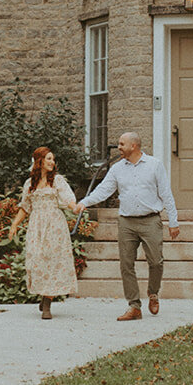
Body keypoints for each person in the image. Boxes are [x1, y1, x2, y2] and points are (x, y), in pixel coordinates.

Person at [75, 131, 179, 320]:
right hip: (126, 222)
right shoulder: (117, 169)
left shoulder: (154, 165)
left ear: (134, 146)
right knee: (126, 264)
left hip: (151, 220)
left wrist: (173, 222)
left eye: (122, 144)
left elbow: (166, 194)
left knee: (156, 262)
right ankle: (134, 306)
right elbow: (104, 190)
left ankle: (153, 293)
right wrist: (85, 202)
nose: (119, 147)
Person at [6, 146, 79, 318]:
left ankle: (47, 304)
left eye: (53, 159)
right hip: (36, 226)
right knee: (36, 260)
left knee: (53, 261)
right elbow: (25, 207)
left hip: (55, 225)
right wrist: (14, 225)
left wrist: (75, 207)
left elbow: (67, 199)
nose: (52, 162)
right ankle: (43, 296)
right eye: (48, 159)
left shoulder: (57, 181)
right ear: (39, 161)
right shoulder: (29, 184)